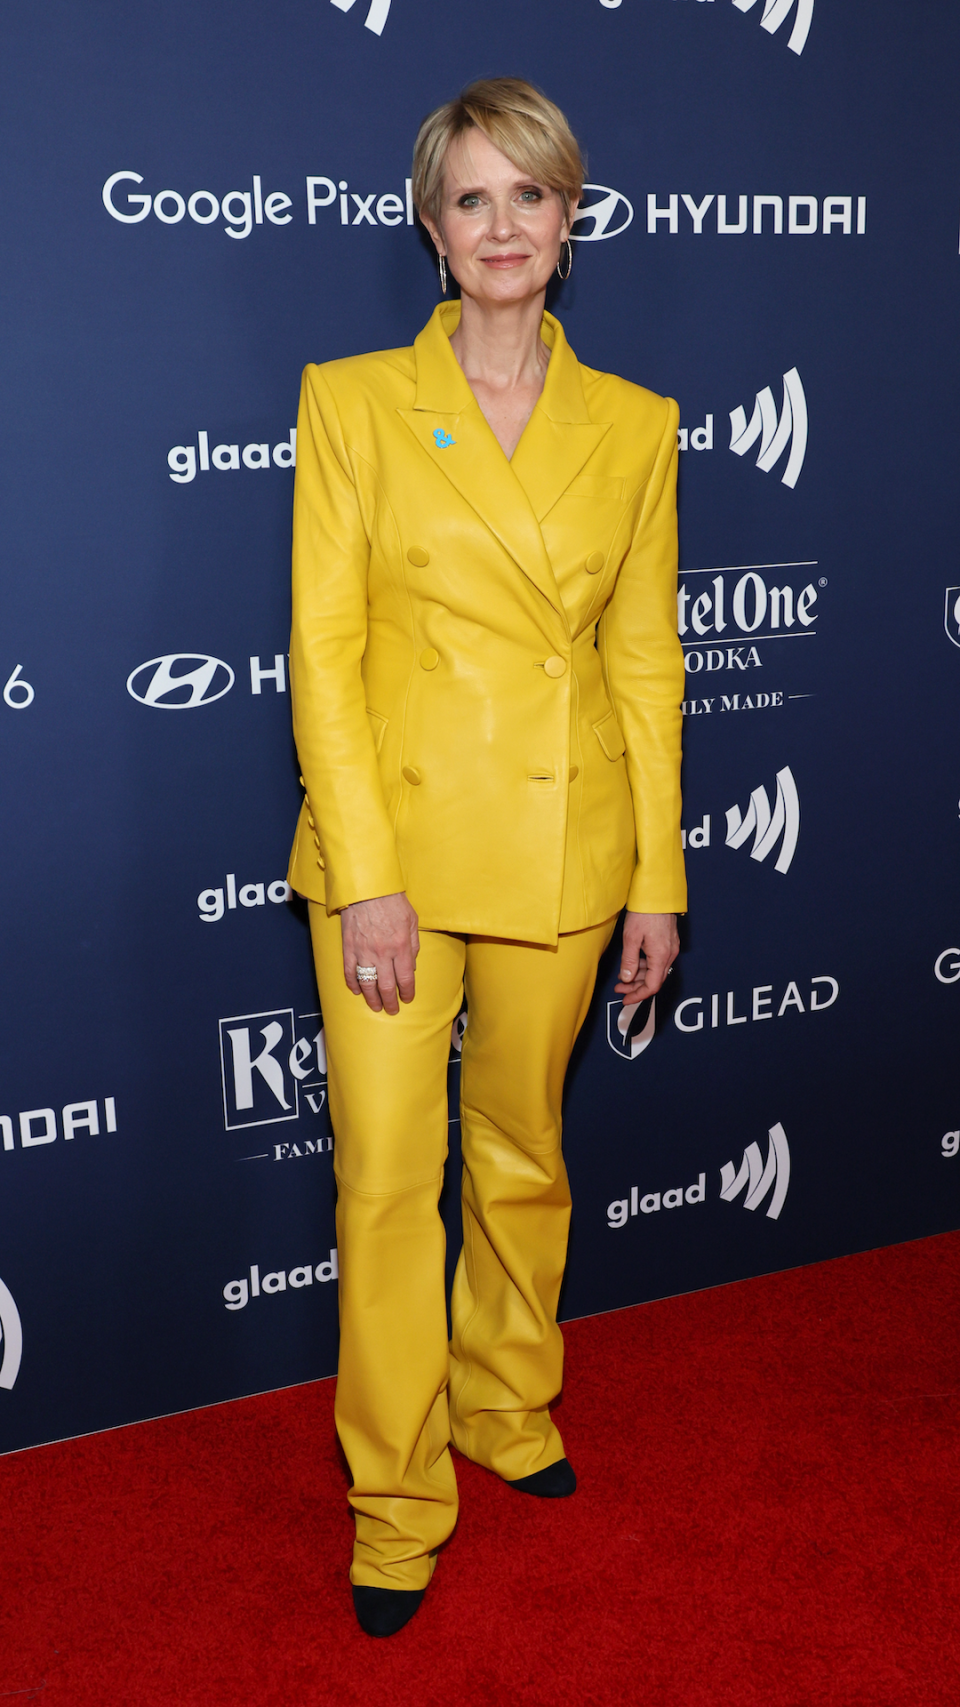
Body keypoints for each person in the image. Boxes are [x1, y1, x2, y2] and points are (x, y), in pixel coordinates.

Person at [287, 77, 686, 1637]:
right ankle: (393, 1496)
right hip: (392, 852)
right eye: (473, 198)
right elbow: (323, 651)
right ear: (429, 225)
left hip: (564, 846)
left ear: (571, 219)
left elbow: (645, 663)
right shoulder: (350, 401)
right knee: (389, 1182)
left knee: (521, 1152)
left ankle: (507, 1403)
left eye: (532, 195)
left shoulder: (639, 423)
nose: (503, 226)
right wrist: (368, 870)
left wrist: (658, 870)